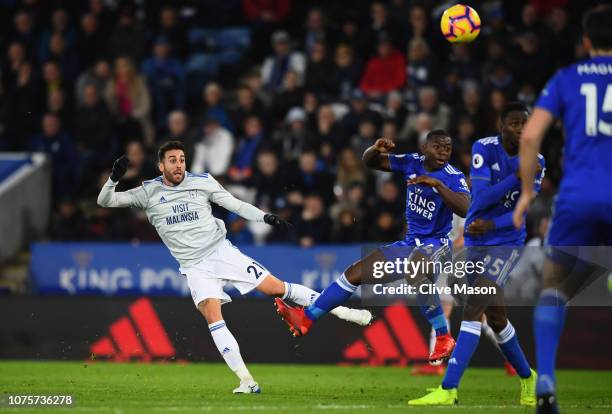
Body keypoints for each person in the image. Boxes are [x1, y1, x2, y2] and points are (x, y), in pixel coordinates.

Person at [97, 141, 372, 394]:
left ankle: (346, 312)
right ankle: (246, 380)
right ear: (161, 166)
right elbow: (105, 201)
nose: (179, 164)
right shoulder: (148, 192)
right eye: (172, 160)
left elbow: (235, 204)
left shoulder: (202, 182)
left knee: (277, 288)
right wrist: (113, 179)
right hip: (194, 267)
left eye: (182, 159)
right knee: (213, 316)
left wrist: (265, 217)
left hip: (221, 252)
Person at [275, 130, 470, 366]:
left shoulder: (452, 176)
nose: (443, 152)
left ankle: (443, 337)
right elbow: (370, 161)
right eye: (438, 147)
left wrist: (437, 184)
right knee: (354, 273)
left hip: (436, 244)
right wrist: (375, 148)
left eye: (447, 148)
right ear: (425, 147)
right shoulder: (411, 162)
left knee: (415, 270)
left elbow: (466, 209)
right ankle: (306, 318)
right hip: (410, 244)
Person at [409, 102, 543, 406]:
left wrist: (494, 222)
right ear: (501, 125)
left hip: (506, 242)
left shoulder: (538, 160)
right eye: (514, 124)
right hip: (475, 238)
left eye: (525, 123)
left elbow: (521, 214)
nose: (520, 129)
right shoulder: (484, 148)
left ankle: (449, 388)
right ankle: (528, 377)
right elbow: (481, 196)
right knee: (496, 318)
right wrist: (516, 176)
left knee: (472, 309)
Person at [512, 5, 612, 413]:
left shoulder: (566, 79)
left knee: (553, 285)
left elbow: (531, 135)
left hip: (577, 197)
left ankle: (546, 380)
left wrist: (525, 193)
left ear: (585, 41)